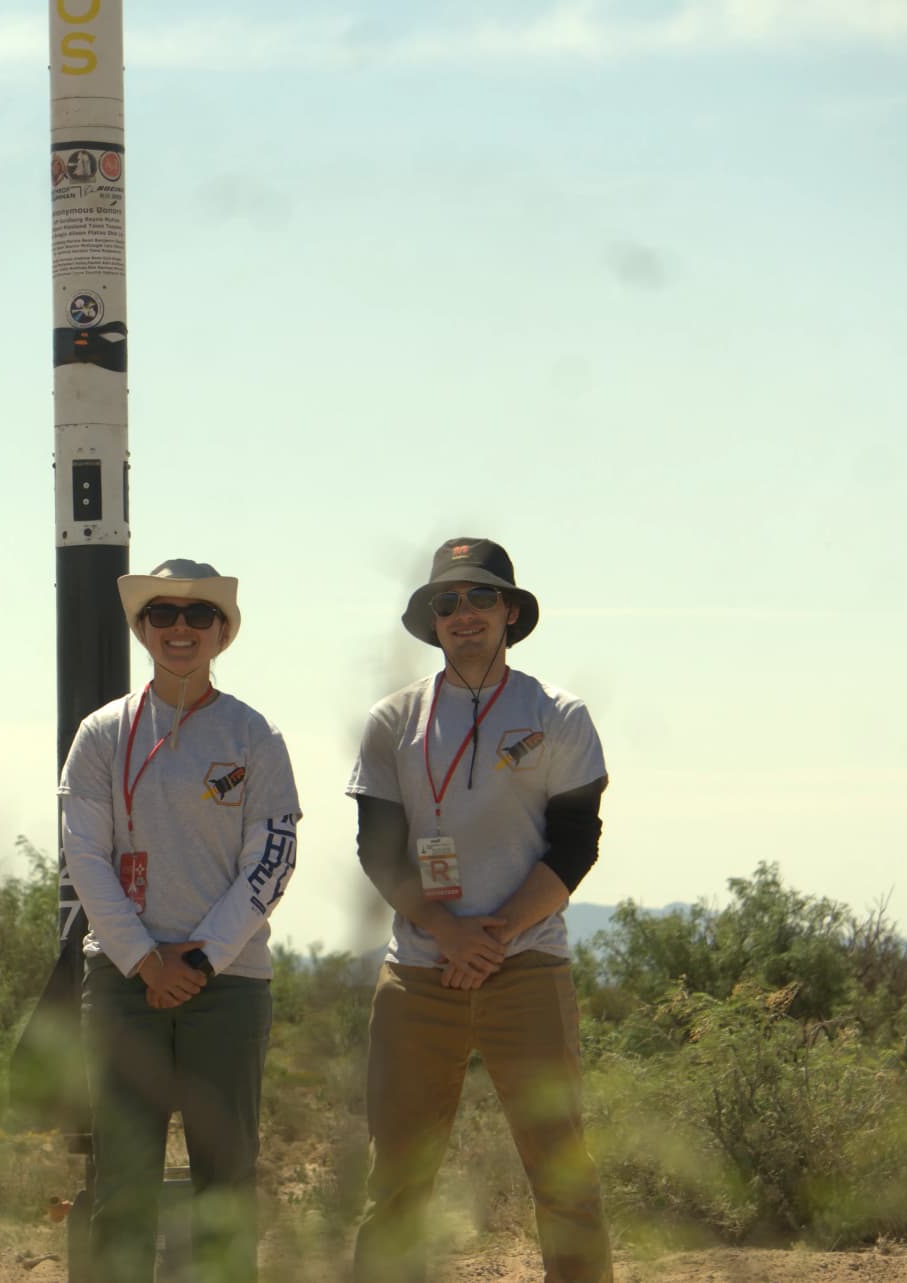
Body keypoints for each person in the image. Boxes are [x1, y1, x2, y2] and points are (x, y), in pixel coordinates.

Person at [348, 537, 612, 1283]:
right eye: (447, 601)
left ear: (510, 611)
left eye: (480, 597)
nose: (464, 613)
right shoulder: (391, 719)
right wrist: (449, 933)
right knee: (396, 1179)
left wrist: (492, 936)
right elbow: (379, 850)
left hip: (527, 964)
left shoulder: (557, 713)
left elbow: (574, 846)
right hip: (419, 974)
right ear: (432, 620)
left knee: (563, 1173)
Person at [59, 559, 300, 1283]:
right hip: (125, 984)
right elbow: (85, 857)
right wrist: (145, 959)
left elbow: (274, 857)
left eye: (199, 616)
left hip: (226, 987)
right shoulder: (101, 733)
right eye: (163, 614)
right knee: (122, 1188)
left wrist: (198, 962)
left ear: (222, 632)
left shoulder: (255, 735)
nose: (181, 629)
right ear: (142, 629)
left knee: (224, 1186)